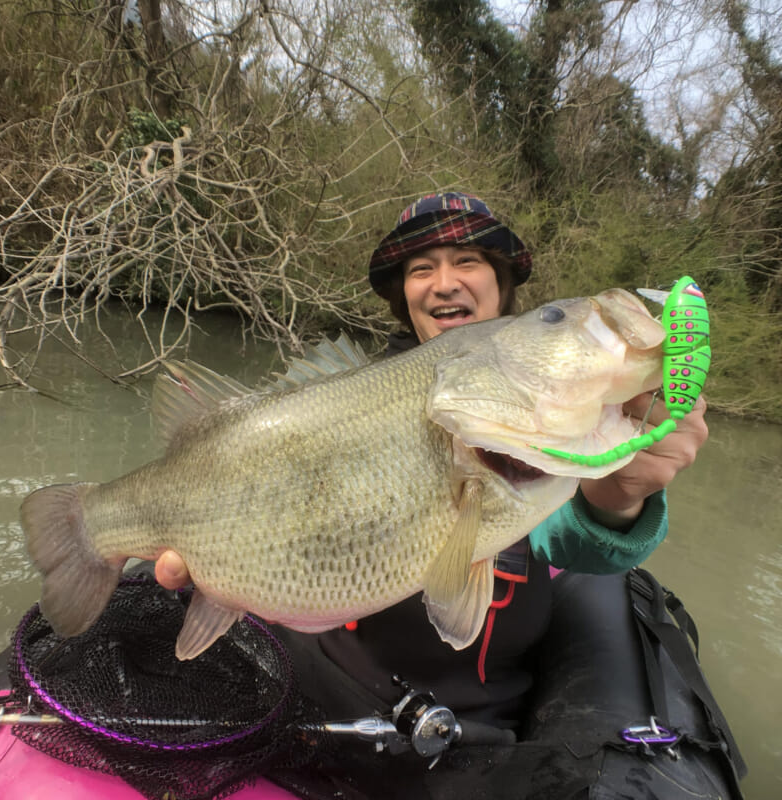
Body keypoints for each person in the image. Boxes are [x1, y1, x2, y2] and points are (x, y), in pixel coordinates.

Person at [154, 191, 708, 732]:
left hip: (478, 731)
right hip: (326, 697)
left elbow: (567, 536)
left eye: (468, 261)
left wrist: (620, 497)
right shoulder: (348, 399)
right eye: (422, 268)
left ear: (503, 286)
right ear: (404, 296)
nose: (444, 283)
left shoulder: (552, 429)